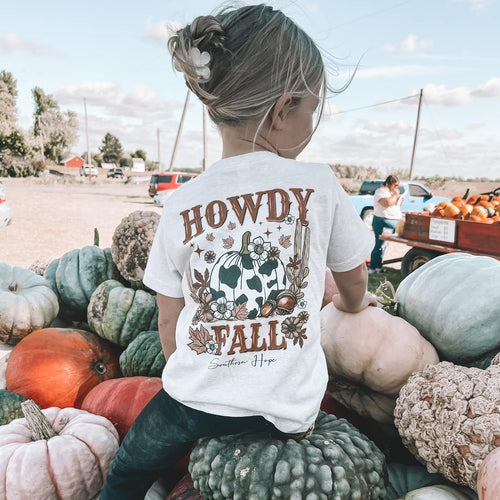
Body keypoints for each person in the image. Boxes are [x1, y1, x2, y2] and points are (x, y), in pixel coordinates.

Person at [100, 4, 376, 499]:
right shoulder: (318, 184)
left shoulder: (181, 203)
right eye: (312, 109)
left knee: (128, 471)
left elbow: (169, 315)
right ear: (283, 109)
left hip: (195, 401)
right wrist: (354, 304)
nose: (312, 121)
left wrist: (191, 377)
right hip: (287, 411)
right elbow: (352, 274)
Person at [368, 174, 405, 273]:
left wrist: (399, 199)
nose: (396, 188)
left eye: (398, 186)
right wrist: (395, 195)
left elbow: (395, 206)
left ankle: (378, 267)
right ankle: (372, 268)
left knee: (383, 246)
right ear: (389, 183)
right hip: (382, 221)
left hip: (391, 220)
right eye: (395, 185)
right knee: (379, 245)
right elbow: (387, 203)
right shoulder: (381, 191)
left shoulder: (391, 192)